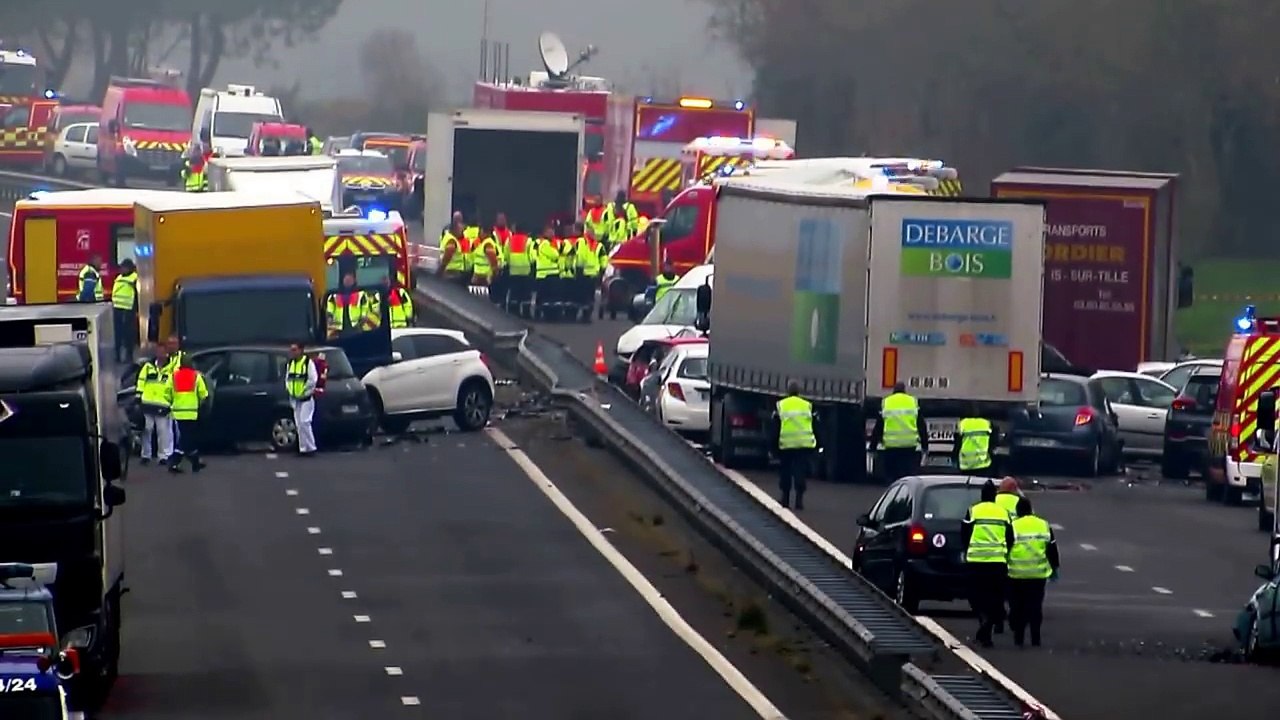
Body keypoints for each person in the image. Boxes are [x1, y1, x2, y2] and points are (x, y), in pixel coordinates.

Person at [961, 479, 1015, 647]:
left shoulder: (974, 511)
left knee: (975, 595)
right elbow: (1010, 537)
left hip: (976, 560)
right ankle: (989, 626)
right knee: (996, 597)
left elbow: (964, 533)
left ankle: (984, 621)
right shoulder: (1003, 513)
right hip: (997, 561)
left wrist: (968, 549)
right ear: (995, 496)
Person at [1007, 497, 1059, 647]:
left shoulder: (1013, 526)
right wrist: (1055, 567)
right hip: (1037, 574)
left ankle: (1019, 638)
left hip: (1016, 574)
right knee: (1035, 607)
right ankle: (1036, 638)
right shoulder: (1043, 525)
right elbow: (1051, 548)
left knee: (1018, 607)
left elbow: (1006, 548)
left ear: (1018, 511)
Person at [870, 382, 928, 482]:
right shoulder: (912, 402)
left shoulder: (887, 402)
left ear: (894, 391)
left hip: (891, 446)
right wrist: (924, 446)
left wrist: (873, 446)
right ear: (904, 390)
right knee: (907, 476)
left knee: (892, 476)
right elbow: (921, 426)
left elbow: (879, 426)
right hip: (909, 446)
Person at [774, 381, 817, 510]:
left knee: (785, 471)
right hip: (803, 443)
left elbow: (775, 427)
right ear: (799, 391)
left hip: (786, 443)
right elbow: (814, 424)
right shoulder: (807, 405)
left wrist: (774, 445)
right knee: (800, 471)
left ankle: (785, 499)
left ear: (788, 391)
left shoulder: (781, 405)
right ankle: (799, 500)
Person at [166, 355, 208, 473]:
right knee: (187, 439)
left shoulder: (173, 376)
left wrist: (171, 403)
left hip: (178, 413)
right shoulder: (196, 376)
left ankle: (195, 462)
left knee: (186, 439)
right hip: (191, 413)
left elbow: (167, 392)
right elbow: (204, 394)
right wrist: (201, 404)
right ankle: (177, 462)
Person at [135, 346, 174, 466]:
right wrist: (138, 397)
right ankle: (146, 455)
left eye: (163, 352)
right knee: (146, 430)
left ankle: (163, 456)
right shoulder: (148, 367)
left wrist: (172, 402)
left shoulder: (171, 369)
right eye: (159, 351)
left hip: (163, 404)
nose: (160, 354)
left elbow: (173, 386)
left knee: (163, 432)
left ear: (167, 354)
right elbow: (141, 381)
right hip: (147, 404)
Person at [285, 343, 319, 457]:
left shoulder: (307, 363)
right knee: (299, 424)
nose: (292, 352)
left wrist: (304, 391)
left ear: (301, 350)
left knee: (305, 422)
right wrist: (290, 391)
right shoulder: (291, 363)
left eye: (295, 349)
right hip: (295, 398)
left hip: (306, 398)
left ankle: (311, 447)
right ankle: (303, 448)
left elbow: (313, 379)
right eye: (291, 350)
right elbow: (288, 379)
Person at [954, 406, 998, 477]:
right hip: (983, 465)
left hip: (965, 466)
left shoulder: (963, 423)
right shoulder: (986, 423)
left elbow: (957, 442)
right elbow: (993, 441)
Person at [110, 259, 139, 363]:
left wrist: (136, 309)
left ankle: (129, 355)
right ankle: (117, 355)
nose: (121, 270)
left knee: (128, 334)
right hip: (118, 309)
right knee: (118, 334)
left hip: (128, 310)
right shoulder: (119, 278)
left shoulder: (134, 278)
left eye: (123, 267)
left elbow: (137, 295)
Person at [327, 272, 371, 338]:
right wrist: (330, 315)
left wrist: (363, 316)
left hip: (355, 325)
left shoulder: (360, 293)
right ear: (343, 280)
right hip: (340, 325)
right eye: (346, 280)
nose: (347, 281)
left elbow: (364, 305)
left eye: (350, 280)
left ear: (354, 281)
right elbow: (331, 304)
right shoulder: (336, 292)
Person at [504, 226, 535, 314]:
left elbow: (506, 256)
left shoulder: (509, 240)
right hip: (525, 270)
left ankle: (513, 312)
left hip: (513, 270)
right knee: (525, 294)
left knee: (514, 293)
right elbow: (532, 257)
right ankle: (525, 313)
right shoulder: (528, 241)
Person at [533, 223, 561, 314]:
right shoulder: (544, 243)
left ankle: (544, 313)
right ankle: (545, 313)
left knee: (545, 297)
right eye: (550, 231)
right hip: (546, 273)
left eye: (553, 231)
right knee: (546, 296)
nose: (552, 233)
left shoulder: (550, 243)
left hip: (548, 273)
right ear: (545, 232)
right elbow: (555, 255)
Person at [438, 212, 473, 283]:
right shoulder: (452, 241)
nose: (462, 231)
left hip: (461, 271)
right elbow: (446, 258)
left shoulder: (458, 237)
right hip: (453, 272)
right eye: (460, 228)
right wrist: (439, 272)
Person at [488, 213, 513, 306]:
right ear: (496, 220)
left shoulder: (509, 233)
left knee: (504, 288)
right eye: (500, 219)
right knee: (494, 286)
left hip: (505, 264)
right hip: (495, 263)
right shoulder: (493, 233)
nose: (502, 221)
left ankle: (501, 304)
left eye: (503, 219)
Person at [470, 225, 501, 289]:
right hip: (478, 275)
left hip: (484, 277)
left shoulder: (488, 244)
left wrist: (493, 276)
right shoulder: (482, 242)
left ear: (486, 233)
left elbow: (494, 262)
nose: (478, 234)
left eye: (480, 232)